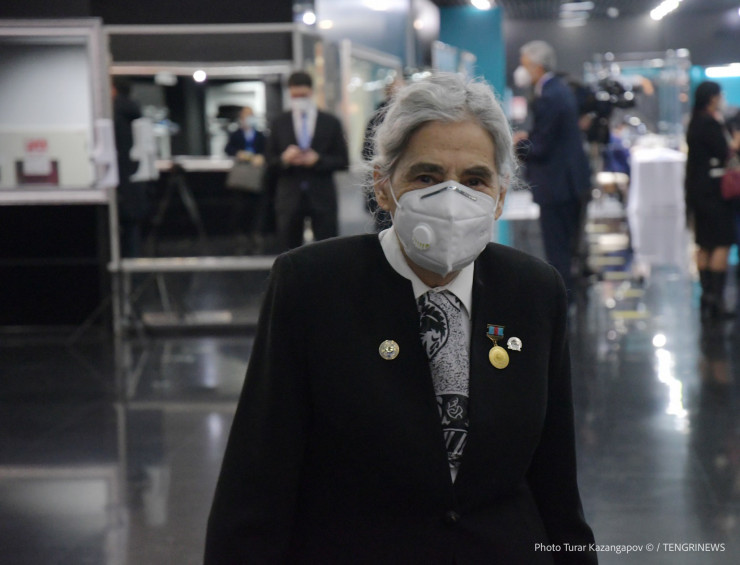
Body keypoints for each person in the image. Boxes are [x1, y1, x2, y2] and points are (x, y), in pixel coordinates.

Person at [205, 73, 597, 564]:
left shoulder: (533, 291)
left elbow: (555, 482)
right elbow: (257, 481)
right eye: (426, 177)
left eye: (475, 180)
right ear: (383, 186)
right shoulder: (312, 286)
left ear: (500, 195)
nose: (451, 200)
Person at [513, 40, 591, 297]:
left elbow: (543, 147)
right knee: (566, 246)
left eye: (525, 64)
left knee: (557, 249)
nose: (522, 71)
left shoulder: (550, 96)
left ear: (537, 67)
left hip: (557, 186)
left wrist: (518, 145)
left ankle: (561, 300)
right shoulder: (559, 89)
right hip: (567, 183)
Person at [264, 71, 349, 250]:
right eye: (295, 96)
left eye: (303, 95)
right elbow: (269, 161)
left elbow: (343, 160)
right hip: (289, 197)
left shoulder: (330, 122)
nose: (299, 100)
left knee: (328, 250)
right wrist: (284, 159)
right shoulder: (279, 122)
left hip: (322, 196)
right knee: (289, 251)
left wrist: (318, 160)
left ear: (311, 92)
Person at [685, 81, 740, 322]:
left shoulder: (694, 122)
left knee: (704, 243)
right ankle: (716, 298)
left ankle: (706, 296)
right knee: (721, 242)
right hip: (715, 192)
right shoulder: (709, 124)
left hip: (698, 191)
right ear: (712, 98)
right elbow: (723, 151)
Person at [361, 75, 405, 232]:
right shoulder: (376, 120)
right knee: (383, 231)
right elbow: (366, 153)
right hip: (384, 184)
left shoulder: (413, 119)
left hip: (404, 187)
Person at [112, 77, 148, 257]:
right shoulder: (136, 113)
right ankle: (135, 263)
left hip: (120, 179)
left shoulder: (114, 114)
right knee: (132, 228)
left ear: (113, 89)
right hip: (135, 179)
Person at [224, 106, 267, 252]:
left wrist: (261, 157)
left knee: (257, 208)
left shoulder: (260, 135)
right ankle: (240, 234)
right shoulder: (236, 134)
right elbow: (228, 149)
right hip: (241, 177)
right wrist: (239, 154)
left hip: (256, 176)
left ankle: (256, 233)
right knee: (240, 208)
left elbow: (267, 150)